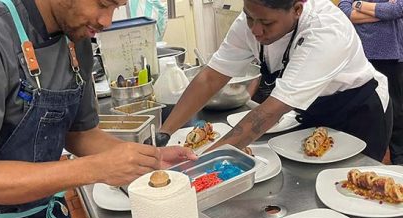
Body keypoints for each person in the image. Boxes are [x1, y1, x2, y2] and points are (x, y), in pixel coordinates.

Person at [0, 0, 196, 218]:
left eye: (117, 7)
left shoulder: (76, 39)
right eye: (103, 4)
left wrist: (148, 158)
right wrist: (95, 169)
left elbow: (79, 134)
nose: (107, 21)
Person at [152, 0, 392, 162]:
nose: (255, 30)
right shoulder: (255, 17)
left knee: (352, 187)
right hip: (310, 109)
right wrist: (164, 135)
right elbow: (210, 77)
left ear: (297, 9)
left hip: (356, 111)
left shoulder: (326, 32)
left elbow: (269, 113)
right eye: (249, 18)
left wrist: (199, 165)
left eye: (266, 23)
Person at [338, 0, 403, 164]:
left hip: (393, 56)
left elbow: (396, 10)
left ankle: (399, 161)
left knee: (396, 111)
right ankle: (363, 160)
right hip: (361, 56)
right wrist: (382, 14)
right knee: (365, 110)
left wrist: (358, 4)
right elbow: (344, 11)